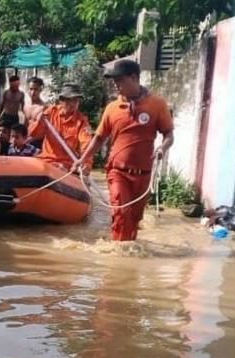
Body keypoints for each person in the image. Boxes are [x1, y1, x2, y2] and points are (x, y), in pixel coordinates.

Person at [72, 60, 175, 242]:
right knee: (122, 214)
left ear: (134, 78)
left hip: (144, 174)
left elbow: (169, 134)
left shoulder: (157, 105)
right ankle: (119, 261)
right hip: (118, 172)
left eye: (119, 80)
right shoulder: (112, 108)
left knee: (134, 219)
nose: (115, 85)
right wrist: (83, 159)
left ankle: (126, 254)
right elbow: (99, 138)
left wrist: (162, 148)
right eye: (114, 81)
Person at [28, 83, 93, 172]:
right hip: (47, 161)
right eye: (69, 100)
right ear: (61, 101)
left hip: (67, 165)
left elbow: (86, 143)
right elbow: (34, 134)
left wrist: (86, 163)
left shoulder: (82, 121)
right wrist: (39, 121)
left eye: (76, 100)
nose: (73, 104)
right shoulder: (51, 112)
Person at [23, 77, 47, 148]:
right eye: (31, 89)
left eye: (36, 89)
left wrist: (33, 138)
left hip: (39, 142)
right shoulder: (26, 106)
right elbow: (26, 124)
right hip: (27, 140)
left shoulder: (44, 107)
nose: (33, 92)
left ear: (41, 90)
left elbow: (46, 130)